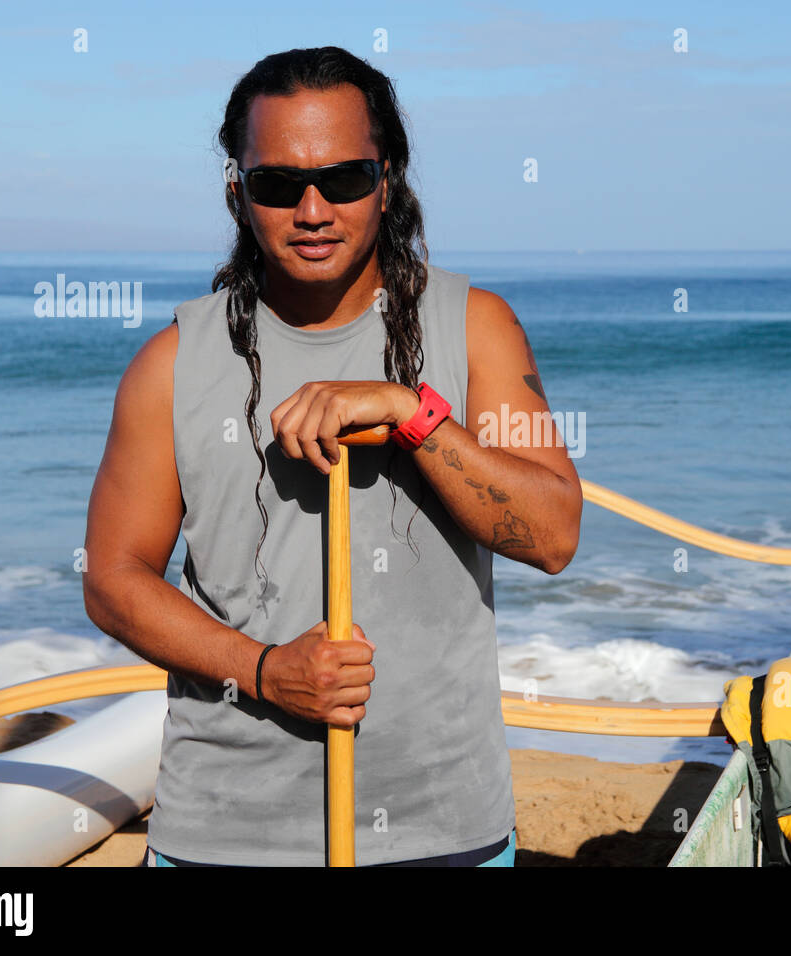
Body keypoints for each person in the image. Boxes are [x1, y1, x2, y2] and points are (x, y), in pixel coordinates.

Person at [82, 46, 582, 866]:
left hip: (443, 826)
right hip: (226, 835)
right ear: (237, 193)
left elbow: (552, 534)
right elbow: (113, 578)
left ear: (388, 179)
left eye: (343, 179)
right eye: (279, 184)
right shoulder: (172, 364)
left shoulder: (475, 327)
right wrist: (268, 669)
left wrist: (411, 415)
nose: (312, 209)